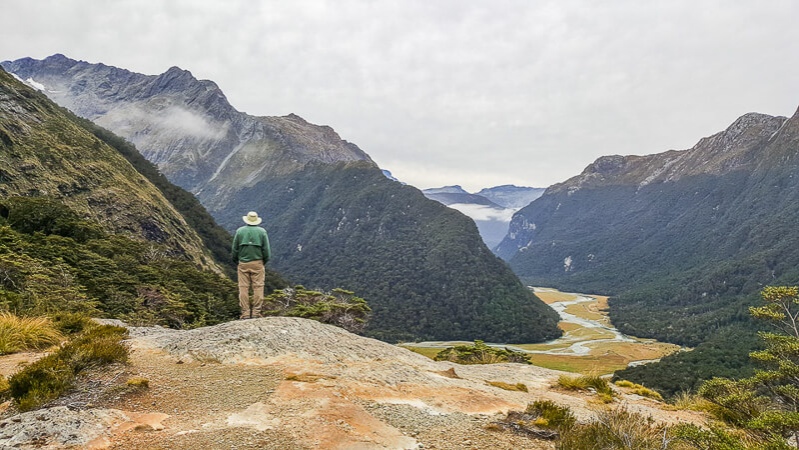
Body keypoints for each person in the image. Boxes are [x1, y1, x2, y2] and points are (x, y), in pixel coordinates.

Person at [231, 211, 271, 319]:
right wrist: (263, 262)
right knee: (258, 287)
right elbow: (266, 250)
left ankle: (245, 312)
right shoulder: (262, 232)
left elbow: (235, 249)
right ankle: (256, 312)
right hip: (258, 263)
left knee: (243, 288)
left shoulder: (240, 231)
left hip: (243, 263)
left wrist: (237, 261)